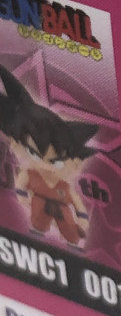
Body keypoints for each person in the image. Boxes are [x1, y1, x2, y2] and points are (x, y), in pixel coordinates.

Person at [0, 64, 96, 246]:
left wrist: (82, 221)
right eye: (34, 154)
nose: (45, 164)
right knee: (39, 222)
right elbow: (21, 190)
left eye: (57, 162)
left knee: (70, 232)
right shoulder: (30, 175)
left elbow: (78, 205)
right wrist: (24, 199)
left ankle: (71, 240)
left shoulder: (64, 187)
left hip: (62, 213)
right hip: (37, 211)